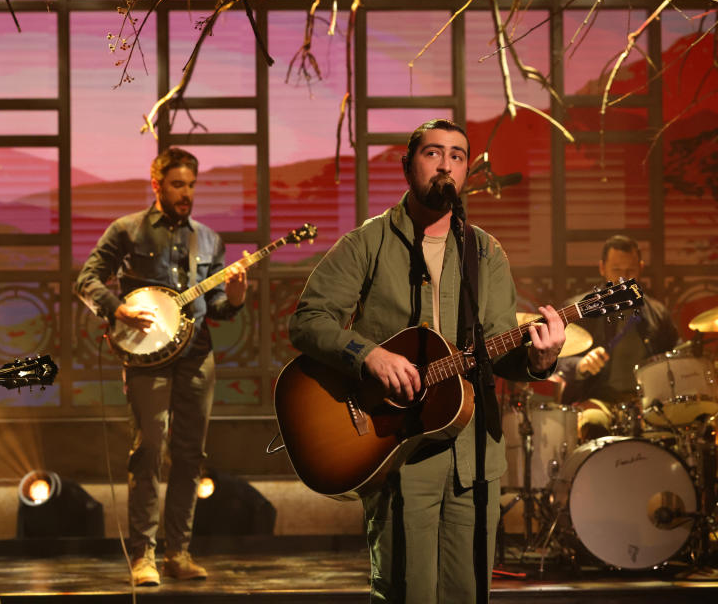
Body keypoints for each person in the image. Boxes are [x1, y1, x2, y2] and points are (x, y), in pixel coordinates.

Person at [288, 119, 565, 604]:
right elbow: (309, 320)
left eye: (457, 156)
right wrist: (367, 355)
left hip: (473, 454)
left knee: (466, 591)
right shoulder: (367, 243)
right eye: (434, 153)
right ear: (407, 165)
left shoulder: (485, 251)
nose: (446, 165)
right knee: (407, 591)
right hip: (396, 449)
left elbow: (499, 346)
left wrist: (540, 361)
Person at [75, 147, 247, 587]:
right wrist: (118, 310)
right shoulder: (127, 230)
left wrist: (238, 296)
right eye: (177, 185)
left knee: (190, 456)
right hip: (146, 358)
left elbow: (218, 308)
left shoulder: (208, 240)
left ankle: (178, 552)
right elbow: (86, 280)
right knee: (149, 451)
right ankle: (143, 555)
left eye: (191, 185)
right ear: (156, 184)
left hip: (197, 356)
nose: (186, 193)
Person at [557, 234, 679, 439]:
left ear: (640, 268)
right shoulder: (580, 311)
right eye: (616, 270)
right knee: (592, 424)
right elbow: (551, 362)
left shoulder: (657, 313)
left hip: (646, 403)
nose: (623, 278)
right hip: (597, 400)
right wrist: (580, 365)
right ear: (602, 268)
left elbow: (675, 353)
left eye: (630, 270)